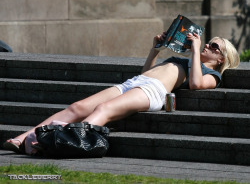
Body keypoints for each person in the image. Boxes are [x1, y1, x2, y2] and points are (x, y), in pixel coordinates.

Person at [3, 32, 240, 154]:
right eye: (207, 42)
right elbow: (147, 72)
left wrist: (196, 48)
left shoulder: (213, 75)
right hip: (136, 83)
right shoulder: (183, 60)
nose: (207, 45)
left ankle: (65, 143)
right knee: (77, 107)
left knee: (103, 110)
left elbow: (196, 84)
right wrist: (154, 50)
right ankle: (23, 138)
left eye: (214, 46)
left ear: (221, 58)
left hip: (153, 92)